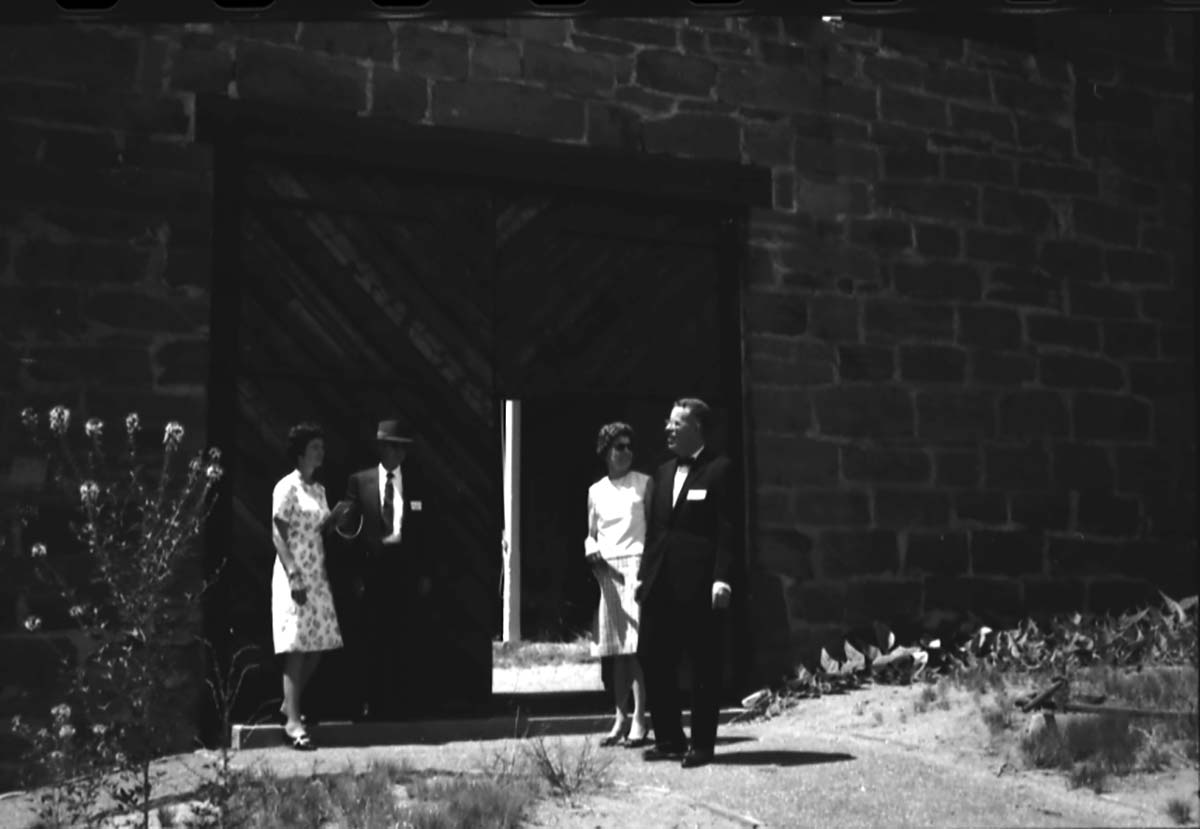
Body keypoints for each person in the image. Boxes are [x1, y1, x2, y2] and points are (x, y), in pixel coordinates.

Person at [635, 398, 737, 769]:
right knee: (652, 656)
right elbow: (656, 532)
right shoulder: (662, 473)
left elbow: (727, 529)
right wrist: (644, 575)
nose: (668, 428)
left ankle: (703, 744)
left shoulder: (720, 470)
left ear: (697, 428)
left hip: (699, 584)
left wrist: (722, 578)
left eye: (677, 423)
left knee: (703, 663)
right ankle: (669, 739)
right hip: (660, 582)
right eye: (668, 422)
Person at [333, 418, 431, 721]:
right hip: (371, 569)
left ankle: (400, 703)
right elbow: (347, 529)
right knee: (368, 637)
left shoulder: (417, 481)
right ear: (382, 448)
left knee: (403, 636)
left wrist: (425, 573)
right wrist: (354, 573)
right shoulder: (360, 481)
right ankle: (367, 702)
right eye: (394, 448)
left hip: (404, 568)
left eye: (404, 449)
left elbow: (427, 532)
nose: (400, 455)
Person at [271, 421, 347, 751]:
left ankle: (289, 705)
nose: (321, 452)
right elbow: (277, 534)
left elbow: (322, 528)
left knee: (318, 644)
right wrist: (293, 573)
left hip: (317, 572)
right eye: (315, 447)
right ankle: (293, 722)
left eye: (322, 447)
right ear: (301, 452)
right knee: (297, 646)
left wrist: (337, 521)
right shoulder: (286, 487)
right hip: (296, 572)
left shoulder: (319, 490)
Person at [585, 422, 653, 748]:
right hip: (607, 571)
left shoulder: (643, 484)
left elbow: (655, 528)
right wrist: (590, 547)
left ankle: (640, 717)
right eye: (619, 447)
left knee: (634, 648)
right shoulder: (596, 491)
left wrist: (648, 571)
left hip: (636, 566)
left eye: (629, 446)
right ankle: (620, 717)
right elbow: (591, 533)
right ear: (606, 451)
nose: (626, 452)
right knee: (615, 650)